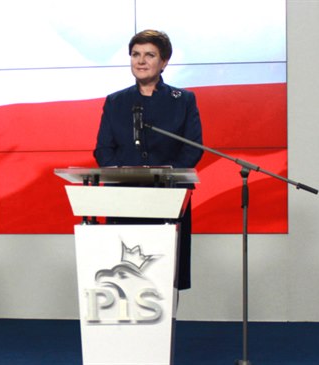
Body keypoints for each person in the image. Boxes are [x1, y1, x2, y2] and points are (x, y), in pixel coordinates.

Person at [93, 30, 203, 290]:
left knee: (165, 273)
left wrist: (165, 176)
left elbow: (192, 149)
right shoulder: (115, 102)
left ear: (164, 62)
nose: (141, 61)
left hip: (169, 196)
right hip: (124, 197)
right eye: (135, 54)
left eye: (149, 55)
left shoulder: (183, 100)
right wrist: (121, 174)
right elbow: (103, 150)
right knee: (125, 274)